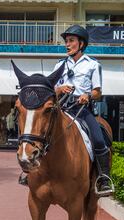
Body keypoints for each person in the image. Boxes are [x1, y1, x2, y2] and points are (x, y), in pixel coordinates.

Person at [19, 25, 113, 196]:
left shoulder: (93, 65)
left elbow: (98, 92)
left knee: (99, 139)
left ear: (81, 43)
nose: (67, 44)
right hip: (61, 107)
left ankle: (103, 178)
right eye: (66, 41)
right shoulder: (59, 64)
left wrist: (87, 95)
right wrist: (59, 89)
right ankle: (31, 174)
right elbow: (50, 91)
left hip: (81, 109)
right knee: (40, 134)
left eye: (71, 41)